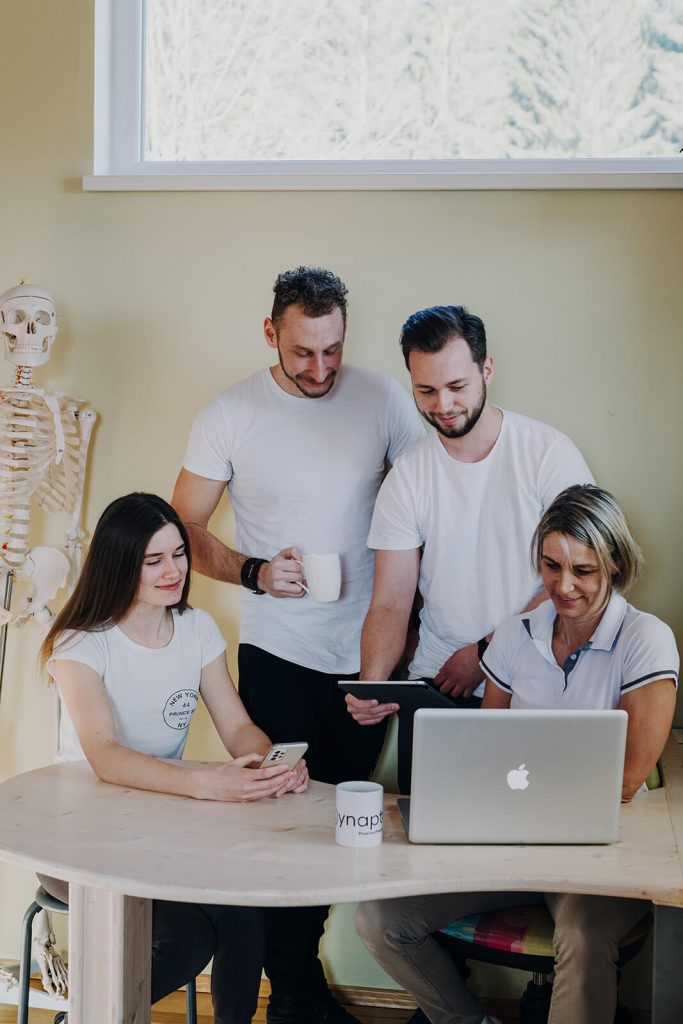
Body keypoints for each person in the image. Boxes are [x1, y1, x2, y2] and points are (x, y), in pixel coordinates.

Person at [171, 266, 424, 1024]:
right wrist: (250, 571)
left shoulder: (382, 399)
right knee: (278, 827)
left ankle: (297, 985)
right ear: (269, 333)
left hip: (369, 655)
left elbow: (429, 499)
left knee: (340, 829)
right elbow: (180, 527)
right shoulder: (229, 413)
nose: (319, 369)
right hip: (277, 653)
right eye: (302, 352)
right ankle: (294, 993)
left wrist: (410, 643)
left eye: (332, 351)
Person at [355, 484, 678, 1024]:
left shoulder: (645, 639)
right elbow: (489, 751)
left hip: (600, 855)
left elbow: (625, 780)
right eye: (551, 566)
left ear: (616, 564)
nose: (564, 585)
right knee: (379, 920)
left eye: (584, 569)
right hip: (509, 842)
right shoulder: (515, 635)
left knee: (580, 933)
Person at [40, 492, 308, 1024]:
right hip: (77, 841)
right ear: (120, 565)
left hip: (160, 832)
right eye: (154, 560)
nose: (174, 570)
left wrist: (270, 761)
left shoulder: (197, 628)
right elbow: (106, 756)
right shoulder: (81, 644)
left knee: (243, 912)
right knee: (187, 940)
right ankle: (85, 1016)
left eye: (179, 554)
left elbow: (236, 727)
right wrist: (208, 786)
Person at [345, 305, 593, 792]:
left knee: (528, 837)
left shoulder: (548, 455)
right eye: (426, 390)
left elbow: (580, 580)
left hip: (536, 684)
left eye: (457, 387)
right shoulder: (409, 477)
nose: (442, 405)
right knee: (432, 833)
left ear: (487, 370)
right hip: (440, 686)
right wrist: (372, 685)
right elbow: (392, 601)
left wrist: (485, 652)